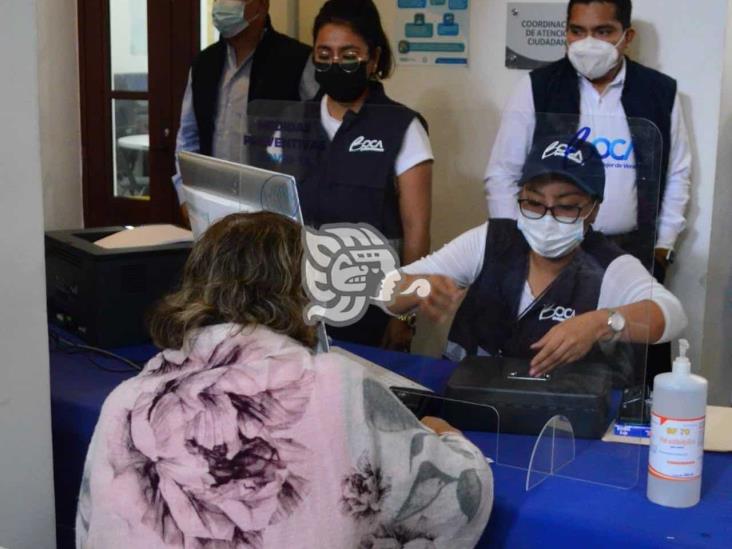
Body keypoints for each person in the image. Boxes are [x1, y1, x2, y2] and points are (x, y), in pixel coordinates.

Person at [76, 212, 493, 549]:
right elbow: (460, 500)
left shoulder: (127, 400)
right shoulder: (335, 384)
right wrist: (448, 437)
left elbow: (90, 529)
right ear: (302, 291)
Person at [387, 137, 687, 384]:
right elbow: (384, 289)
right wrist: (420, 288)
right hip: (467, 406)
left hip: (556, 425)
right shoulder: (492, 240)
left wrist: (602, 323)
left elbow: (671, 314)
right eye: (533, 202)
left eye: (566, 206)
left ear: (593, 209)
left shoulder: (607, 265)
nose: (547, 217)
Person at [484, 0, 691, 281]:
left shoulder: (660, 92)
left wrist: (663, 247)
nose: (588, 43)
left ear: (626, 37)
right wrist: (518, 244)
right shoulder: (537, 87)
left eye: (603, 31)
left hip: (631, 252)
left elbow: (677, 172)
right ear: (566, 33)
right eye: (578, 31)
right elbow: (502, 173)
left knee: (620, 326)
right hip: (550, 250)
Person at [272, 0, 433, 351]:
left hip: (371, 310)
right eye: (324, 53)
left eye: (348, 54)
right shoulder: (290, 122)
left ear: (373, 59)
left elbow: (417, 234)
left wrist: (404, 315)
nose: (335, 63)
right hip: (295, 309)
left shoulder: (402, 127)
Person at [172, 0, 318, 221]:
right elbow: (187, 138)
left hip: (274, 212)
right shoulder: (204, 63)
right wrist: (185, 196)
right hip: (213, 208)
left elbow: (319, 137)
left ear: (261, 6)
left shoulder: (296, 60)